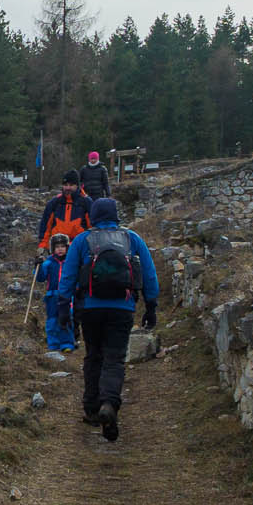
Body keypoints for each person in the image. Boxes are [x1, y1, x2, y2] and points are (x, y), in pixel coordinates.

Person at [48, 196, 158, 442]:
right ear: (116, 215)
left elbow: (68, 276)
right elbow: (149, 274)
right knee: (114, 358)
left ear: (94, 217)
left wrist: (64, 308)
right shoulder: (132, 239)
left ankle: (91, 408)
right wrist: (151, 306)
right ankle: (109, 403)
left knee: (94, 354)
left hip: (90, 308)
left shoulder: (82, 240)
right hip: (122, 307)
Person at [35, 233, 76, 352]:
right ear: (53, 249)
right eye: (57, 247)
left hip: (67, 296)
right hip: (52, 295)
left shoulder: (70, 262)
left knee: (67, 318)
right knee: (52, 320)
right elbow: (40, 278)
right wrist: (38, 266)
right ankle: (53, 344)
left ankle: (67, 343)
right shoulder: (48, 262)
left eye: (63, 246)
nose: (60, 249)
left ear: (67, 248)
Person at [36, 171, 91, 249]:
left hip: (79, 248)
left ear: (77, 186)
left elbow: (92, 229)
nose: (68, 188)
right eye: (65, 185)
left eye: (71, 185)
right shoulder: (54, 203)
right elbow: (45, 227)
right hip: (57, 248)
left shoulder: (86, 202)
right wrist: (42, 247)